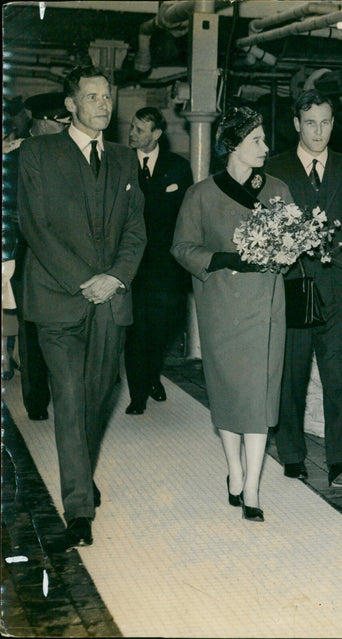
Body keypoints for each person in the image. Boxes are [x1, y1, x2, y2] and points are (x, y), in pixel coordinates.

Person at [17, 65, 146, 548]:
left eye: (107, 96)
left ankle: (80, 469)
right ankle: (78, 509)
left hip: (111, 300)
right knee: (69, 399)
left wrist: (114, 277)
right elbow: (37, 227)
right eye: (92, 96)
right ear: (71, 104)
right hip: (58, 300)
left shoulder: (123, 158)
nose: (103, 104)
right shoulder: (38, 152)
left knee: (96, 398)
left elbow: (136, 230)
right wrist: (82, 281)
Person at [171, 106, 292, 523]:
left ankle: (254, 487)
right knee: (227, 391)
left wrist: (286, 251)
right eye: (256, 140)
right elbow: (182, 249)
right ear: (233, 145)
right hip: (220, 304)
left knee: (260, 394)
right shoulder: (201, 194)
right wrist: (222, 258)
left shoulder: (277, 190)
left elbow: (292, 245)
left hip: (265, 305)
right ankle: (235, 471)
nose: (265, 147)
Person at [264, 90, 342, 488]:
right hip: (293, 286)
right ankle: (292, 454)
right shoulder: (275, 169)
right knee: (291, 375)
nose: (319, 131)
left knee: (339, 377)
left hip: (340, 289)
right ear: (296, 124)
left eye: (326, 122)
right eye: (311, 123)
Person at [124, 107, 193, 415]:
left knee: (162, 328)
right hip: (132, 264)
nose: (132, 133)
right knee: (136, 330)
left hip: (166, 267)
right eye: (133, 127)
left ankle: (153, 375)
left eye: (140, 129)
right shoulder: (121, 165)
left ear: (156, 134)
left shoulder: (178, 168)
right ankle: (138, 394)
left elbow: (187, 217)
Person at [6, 92, 71, 418]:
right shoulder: (12, 158)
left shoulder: (69, 155)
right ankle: (36, 400)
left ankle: (68, 397)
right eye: (63, 123)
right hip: (26, 256)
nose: (67, 128)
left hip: (69, 255)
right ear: (43, 123)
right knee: (31, 328)